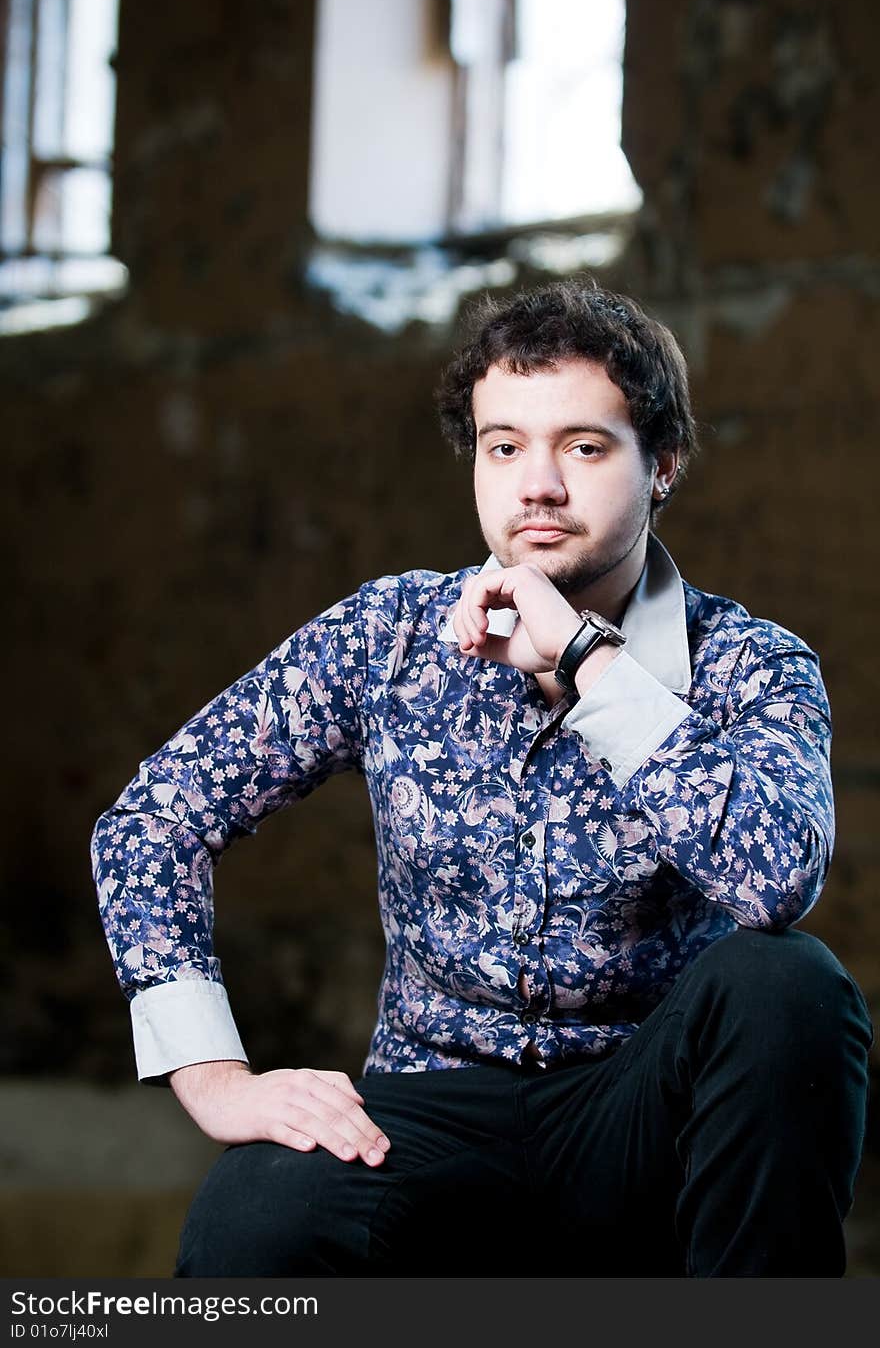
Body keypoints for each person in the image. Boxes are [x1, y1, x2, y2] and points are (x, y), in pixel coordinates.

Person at [92, 278, 872, 1278]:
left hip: (640, 1119)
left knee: (787, 985)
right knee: (254, 1216)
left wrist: (591, 661)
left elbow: (776, 882)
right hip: (429, 1105)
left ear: (662, 464)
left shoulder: (747, 662)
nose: (535, 485)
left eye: (583, 447)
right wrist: (210, 1074)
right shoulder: (390, 634)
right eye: (504, 446)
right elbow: (149, 823)